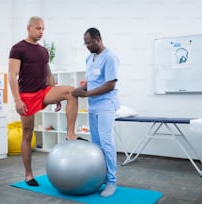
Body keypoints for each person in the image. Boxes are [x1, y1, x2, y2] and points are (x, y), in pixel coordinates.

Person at [8, 16, 87, 187]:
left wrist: (54, 93)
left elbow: (48, 74)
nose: (41, 31)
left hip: (43, 91)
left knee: (71, 92)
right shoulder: (18, 48)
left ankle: (70, 133)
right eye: (38, 28)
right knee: (27, 134)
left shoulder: (43, 51)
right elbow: (12, 76)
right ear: (28, 28)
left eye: (43, 28)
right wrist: (17, 100)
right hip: (27, 96)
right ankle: (29, 175)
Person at [72, 27, 120, 197]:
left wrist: (86, 93)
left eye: (89, 42)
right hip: (93, 105)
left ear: (98, 39)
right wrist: (79, 90)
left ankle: (112, 181)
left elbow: (110, 84)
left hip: (106, 105)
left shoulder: (110, 57)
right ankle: (101, 177)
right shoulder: (89, 58)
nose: (87, 46)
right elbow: (91, 82)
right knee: (96, 143)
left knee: (107, 142)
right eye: (85, 43)